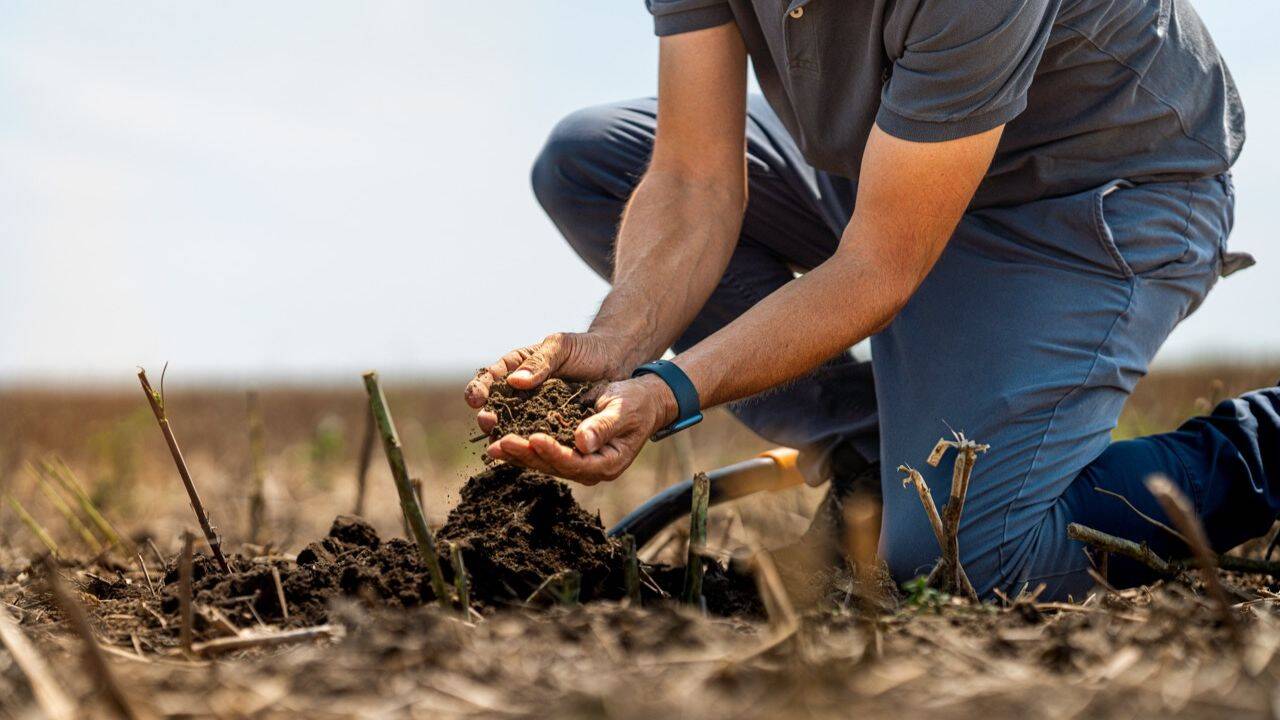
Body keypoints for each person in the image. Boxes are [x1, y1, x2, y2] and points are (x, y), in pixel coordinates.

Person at [464, 0, 1277, 600]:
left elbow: (880, 267)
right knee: (589, 161)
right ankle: (874, 466)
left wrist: (672, 390)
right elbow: (693, 178)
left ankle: (1268, 447)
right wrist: (616, 344)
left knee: (968, 560)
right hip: (888, 159)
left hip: (1083, 195)